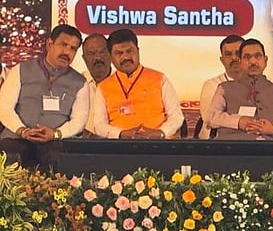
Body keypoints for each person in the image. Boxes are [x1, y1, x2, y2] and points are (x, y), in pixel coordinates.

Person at [0, 24, 90, 170]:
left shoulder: (80, 82)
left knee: (57, 157)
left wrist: (55, 134)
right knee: (9, 153)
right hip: (16, 137)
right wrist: (22, 130)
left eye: (73, 48)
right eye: (63, 45)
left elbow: (79, 120)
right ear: (49, 44)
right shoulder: (21, 70)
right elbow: (4, 107)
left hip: (54, 140)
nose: (67, 52)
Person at [92, 29, 184, 139]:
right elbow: (99, 125)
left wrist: (160, 132)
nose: (126, 57)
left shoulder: (159, 79)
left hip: (157, 146)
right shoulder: (103, 87)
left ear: (138, 51)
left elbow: (176, 116)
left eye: (130, 51)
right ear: (110, 57)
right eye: (119, 53)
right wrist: (120, 134)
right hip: (119, 149)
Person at [209, 39, 273, 140]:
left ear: (265, 60)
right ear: (240, 62)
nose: (253, 61)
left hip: (272, 149)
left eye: (258, 56)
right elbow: (212, 117)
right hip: (232, 148)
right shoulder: (224, 88)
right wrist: (239, 121)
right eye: (247, 57)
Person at [198, 34, 244, 139]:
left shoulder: (257, 84)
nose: (234, 58)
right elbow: (210, 118)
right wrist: (243, 121)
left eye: (238, 53)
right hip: (215, 145)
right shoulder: (212, 85)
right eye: (228, 54)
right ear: (222, 60)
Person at [80, 33, 112, 136]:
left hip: (116, 146)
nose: (97, 57)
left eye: (102, 52)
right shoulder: (75, 84)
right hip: (82, 147)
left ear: (110, 54)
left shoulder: (123, 83)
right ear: (84, 58)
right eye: (91, 53)